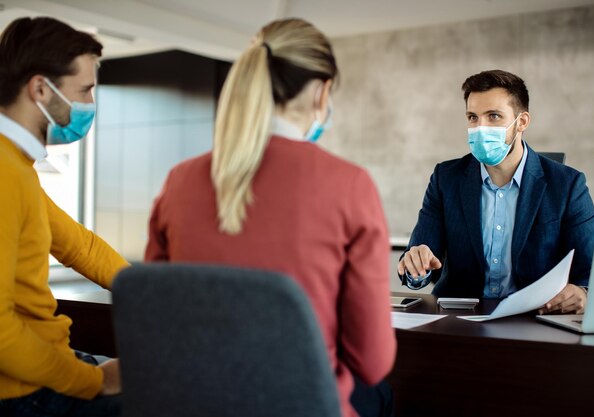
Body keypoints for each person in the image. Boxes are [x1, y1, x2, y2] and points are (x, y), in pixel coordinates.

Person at [145, 18, 396, 417]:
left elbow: (155, 325)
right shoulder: (351, 186)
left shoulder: (178, 182)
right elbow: (372, 361)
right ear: (323, 91)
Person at [0, 17, 128, 416]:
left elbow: (78, 246)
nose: (90, 103)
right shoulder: (4, 174)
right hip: (26, 394)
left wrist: (146, 292)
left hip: (43, 372)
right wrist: (94, 381)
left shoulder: (16, 167)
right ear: (40, 88)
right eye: (85, 89)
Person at [397, 69, 594, 315]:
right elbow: (421, 265)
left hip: (535, 320)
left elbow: (592, 271)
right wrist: (416, 266)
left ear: (522, 122)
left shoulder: (568, 185)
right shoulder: (445, 178)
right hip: (457, 321)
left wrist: (584, 293)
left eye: (493, 116)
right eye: (473, 117)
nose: (480, 127)